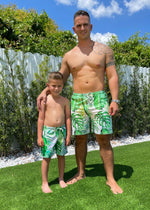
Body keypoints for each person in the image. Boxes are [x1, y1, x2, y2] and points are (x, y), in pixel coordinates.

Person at [37, 10, 123, 194]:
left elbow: (112, 75)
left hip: (99, 98)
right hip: (77, 100)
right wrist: (44, 91)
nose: (82, 28)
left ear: (91, 27)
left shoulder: (104, 50)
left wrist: (114, 99)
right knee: (80, 139)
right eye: (79, 25)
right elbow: (60, 78)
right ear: (74, 29)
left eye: (85, 24)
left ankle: (110, 178)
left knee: (104, 139)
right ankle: (81, 173)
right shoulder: (69, 55)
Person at [37, 72, 71, 193]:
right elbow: (40, 119)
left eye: (59, 86)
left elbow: (68, 118)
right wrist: (39, 136)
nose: (56, 88)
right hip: (48, 132)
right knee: (46, 157)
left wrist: (68, 135)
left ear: (63, 86)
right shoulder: (45, 100)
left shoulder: (65, 101)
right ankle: (45, 183)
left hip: (61, 132)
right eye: (53, 86)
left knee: (61, 156)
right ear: (48, 85)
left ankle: (61, 179)